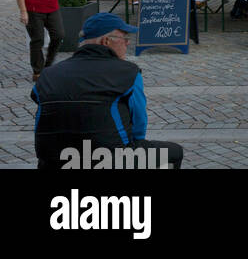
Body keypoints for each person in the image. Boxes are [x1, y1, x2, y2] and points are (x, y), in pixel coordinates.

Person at [31, 13, 183, 169]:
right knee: (175, 153)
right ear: (106, 41)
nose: (127, 43)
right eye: (124, 39)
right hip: (108, 159)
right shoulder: (128, 73)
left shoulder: (48, 74)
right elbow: (138, 126)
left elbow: (40, 121)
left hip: (53, 161)